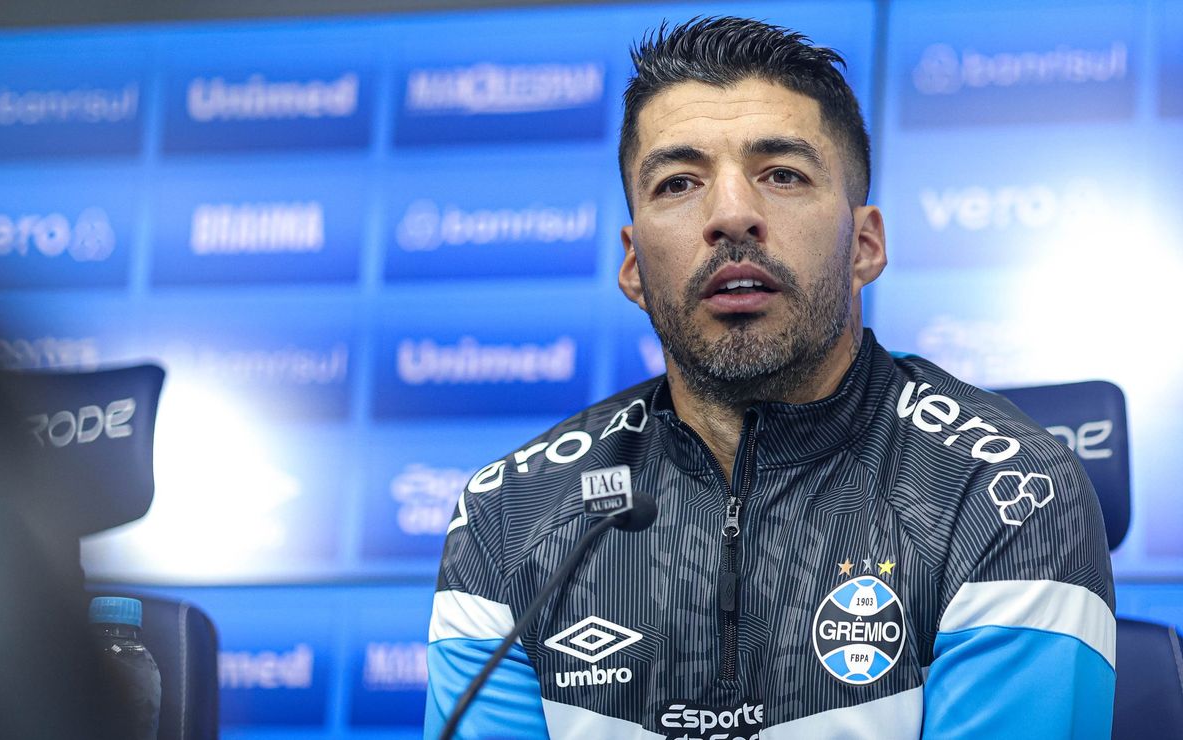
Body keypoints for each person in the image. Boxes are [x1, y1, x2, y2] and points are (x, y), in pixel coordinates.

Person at [424, 17, 1115, 739]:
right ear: (632, 266)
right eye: (678, 183)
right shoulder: (509, 518)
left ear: (865, 245)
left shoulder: (1008, 496)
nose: (731, 216)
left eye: (782, 174)